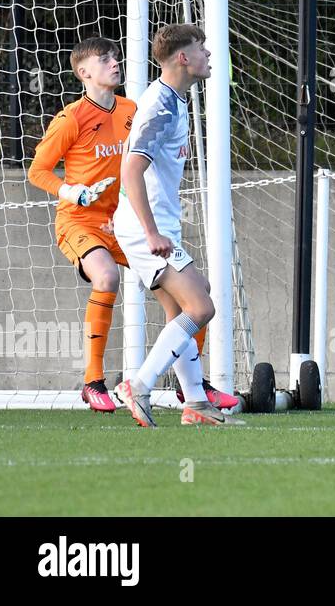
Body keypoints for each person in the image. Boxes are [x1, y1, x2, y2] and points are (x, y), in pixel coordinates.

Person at [112, 24, 238, 425]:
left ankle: (197, 403)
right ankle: (140, 384)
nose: (209, 55)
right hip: (141, 224)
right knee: (201, 306)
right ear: (183, 58)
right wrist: (151, 232)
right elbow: (131, 172)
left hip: (156, 222)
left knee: (182, 308)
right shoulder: (161, 106)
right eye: (201, 47)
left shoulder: (175, 99)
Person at [27, 37, 136, 412]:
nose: (115, 63)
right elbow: (37, 171)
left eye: (115, 57)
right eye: (105, 59)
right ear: (84, 72)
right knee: (106, 278)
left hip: (124, 222)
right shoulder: (70, 118)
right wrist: (73, 191)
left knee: (183, 284)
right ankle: (93, 381)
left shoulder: (131, 110)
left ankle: (193, 384)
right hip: (80, 221)